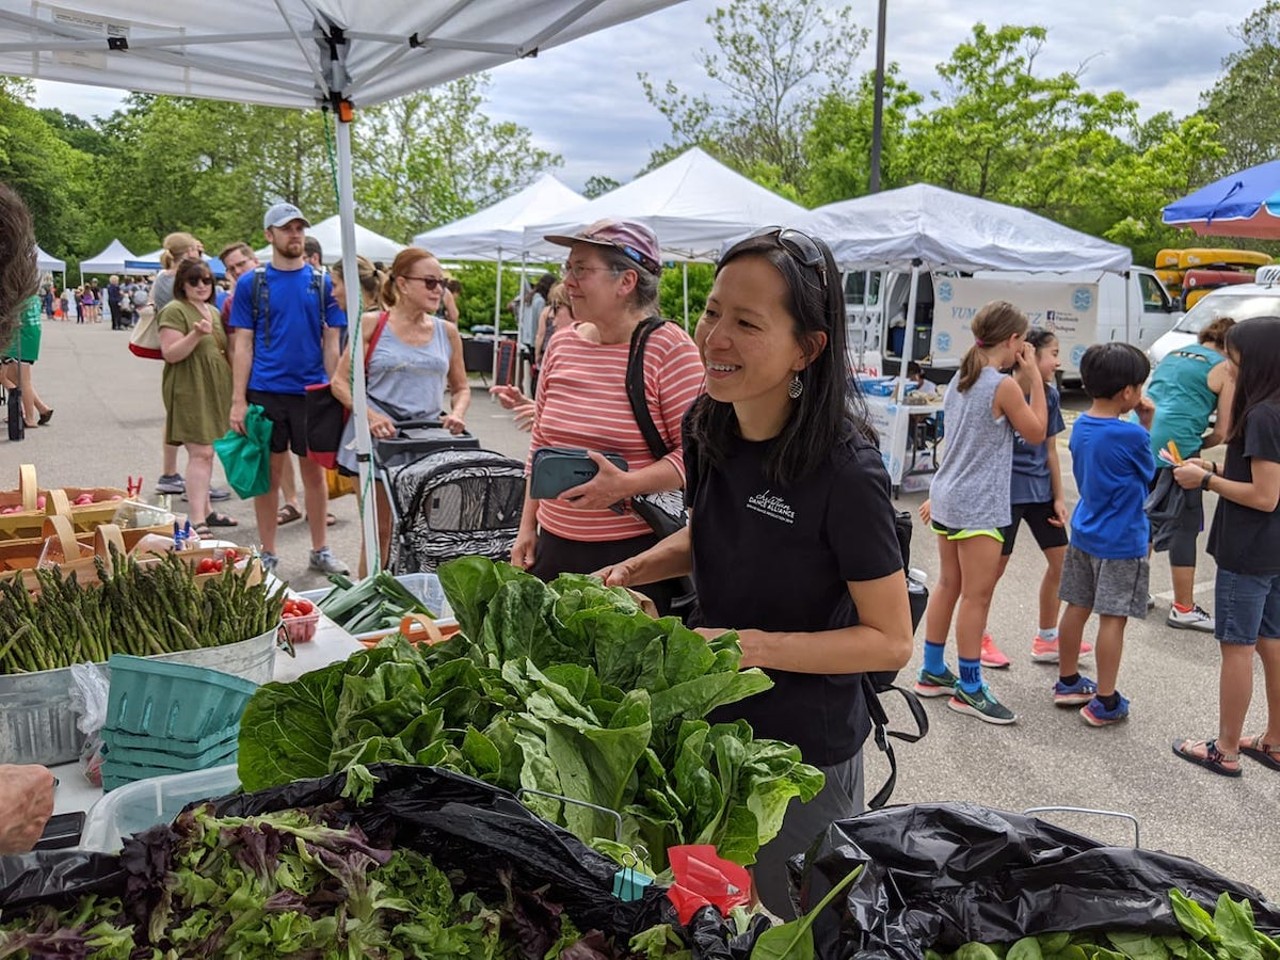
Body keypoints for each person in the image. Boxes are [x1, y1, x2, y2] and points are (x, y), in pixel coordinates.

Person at [598, 227, 914, 915]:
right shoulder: (706, 423)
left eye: (747, 323)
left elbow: (889, 640)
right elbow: (713, 531)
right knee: (710, 902)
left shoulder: (846, 472)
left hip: (804, 750)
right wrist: (635, 566)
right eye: (712, 311)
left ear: (808, 347)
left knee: (801, 917)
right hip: (709, 715)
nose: (715, 338)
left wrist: (744, 645)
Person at [511, 220, 703, 616]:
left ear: (626, 281)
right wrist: (527, 527)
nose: (567, 282)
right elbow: (540, 444)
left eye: (581, 268)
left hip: (634, 560)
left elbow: (700, 454)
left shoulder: (669, 349)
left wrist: (626, 485)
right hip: (554, 548)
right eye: (568, 268)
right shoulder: (562, 343)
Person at [915, 301, 1047, 725]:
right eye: (1021, 343)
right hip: (978, 505)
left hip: (949, 496)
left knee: (948, 585)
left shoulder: (962, 378)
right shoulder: (1001, 384)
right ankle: (970, 686)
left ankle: (933, 669)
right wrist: (1036, 381)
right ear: (1012, 341)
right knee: (977, 595)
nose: (1022, 349)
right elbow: (1037, 432)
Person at [1171, 317, 1280, 777]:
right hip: (1273, 548)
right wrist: (1216, 464)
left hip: (1247, 548)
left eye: (1232, 359)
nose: (1227, 368)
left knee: (1236, 647)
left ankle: (1226, 748)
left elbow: (1264, 495)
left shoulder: (1262, 415)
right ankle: (1274, 740)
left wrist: (1207, 479)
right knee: (1271, 641)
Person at [331, 247, 470, 575]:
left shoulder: (446, 332)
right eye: (431, 282)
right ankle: (368, 608)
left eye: (443, 283)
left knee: (431, 534)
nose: (439, 290)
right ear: (403, 284)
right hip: (380, 444)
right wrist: (371, 417)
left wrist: (458, 413)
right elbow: (340, 383)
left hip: (428, 444)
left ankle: (420, 606)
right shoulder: (371, 325)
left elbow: (461, 387)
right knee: (379, 533)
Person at [228, 202, 349, 576]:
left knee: (314, 475)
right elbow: (242, 344)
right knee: (269, 475)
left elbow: (333, 342)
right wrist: (237, 400)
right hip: (266, 392)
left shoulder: (323, 282)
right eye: (286, 228)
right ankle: (267, 552)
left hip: (311, 392)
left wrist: (335, 392)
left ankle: (320, 549)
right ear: (269, 235)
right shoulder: (253, 283)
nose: (294, 234)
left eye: (299, 228)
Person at [1055, 342, 1155, 727]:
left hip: (1085, 531)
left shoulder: (1081, 425)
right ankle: (1106, 699)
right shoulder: (1132, 436)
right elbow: (1149, 474)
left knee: (1076, 606)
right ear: (1128, 392)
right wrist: (1146, 426)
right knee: (1113, 618)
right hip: (1121, 539)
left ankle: (1067, 680)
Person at [989, 329, 1088, 665]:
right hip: (1006, 494)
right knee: (991, 572)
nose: (1058, 361)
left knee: (1063, 564)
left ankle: (1047, 638)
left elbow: (1049, 448)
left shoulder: (1050, 394)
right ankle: (979, 637)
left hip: (1040, 493)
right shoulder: (1002, 388)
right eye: (1054, 353)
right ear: (1028, 354)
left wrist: (1059, 496)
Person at [1147, 316, 1237, 633]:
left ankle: (1137, 589)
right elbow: (1224, 430)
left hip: (1143, 438)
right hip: (1178, 448)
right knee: (1185, 526)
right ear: (1231, 346)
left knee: (1145, 516)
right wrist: (1199, 445)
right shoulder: (1225, 368)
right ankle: (1183, 607)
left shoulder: (1174, 354)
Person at [156, 259, 236, 537]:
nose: (201, 285)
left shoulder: (213, 310)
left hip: (214, 387)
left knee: (208, 452)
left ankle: (208, 511)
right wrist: (194, 334)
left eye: (206, 280)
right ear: (182, 284)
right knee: (200, 453)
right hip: (190, 387)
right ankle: (197, 519)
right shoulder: (175, 310)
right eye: (194, 281)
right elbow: (171, 353)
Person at [154, 232, 209, 497]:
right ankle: (192, 481)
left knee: (178, 419)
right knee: (191, 423)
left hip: (181, 351)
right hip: (185, 354)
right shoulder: (176, 282)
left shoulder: (162, 277)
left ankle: (173, 473)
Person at [533, 280, 573, 367]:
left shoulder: (545, 311)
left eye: (557, 307)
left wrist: (537, 354)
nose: (552, 317)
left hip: (547, 349)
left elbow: (540, 334)